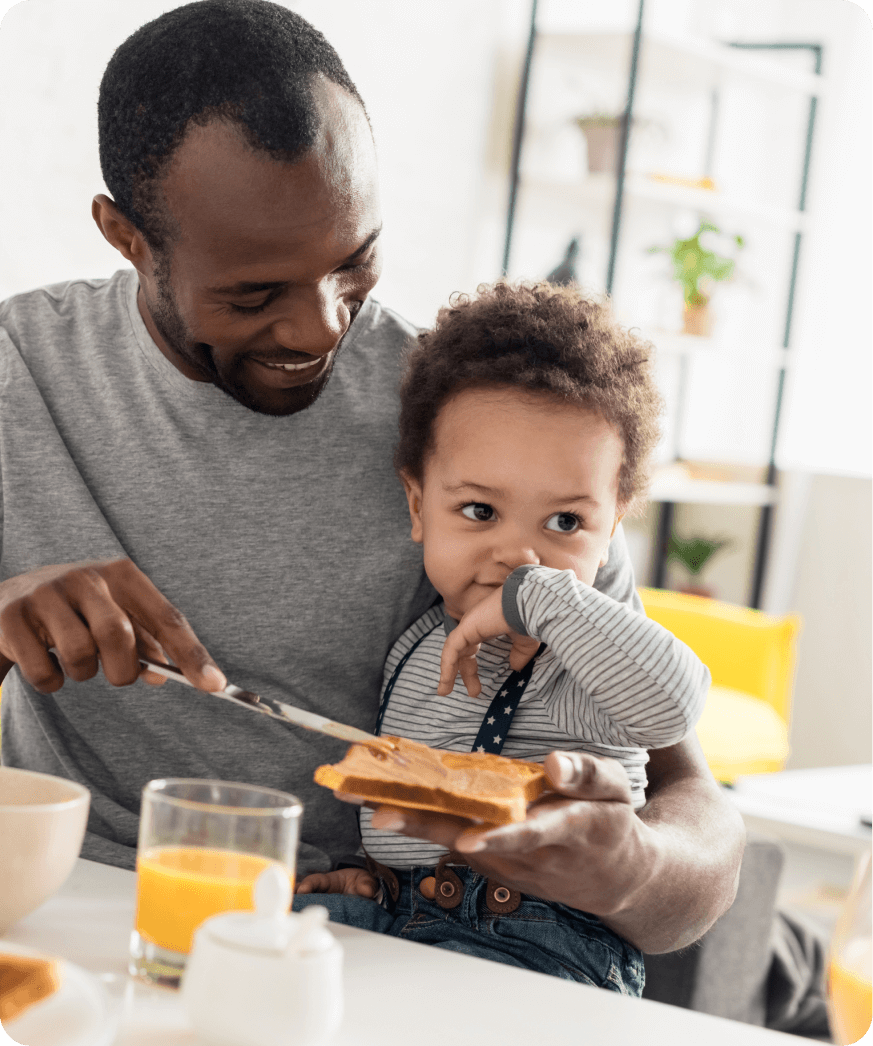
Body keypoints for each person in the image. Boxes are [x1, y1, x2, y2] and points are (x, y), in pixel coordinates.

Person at [0, 0, 744, 957]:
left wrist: (629, 868)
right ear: (127, 237)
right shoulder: (19, 372)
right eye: (254, 293)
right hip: (66, 914)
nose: (321, 327)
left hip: (366, 942)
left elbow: (693, 822)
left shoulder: (475, 419)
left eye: (354, 262)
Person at [292, 281, 713, 991]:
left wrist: (542, 598)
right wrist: (372, 877)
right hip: (406, 913)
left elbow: (676, 705)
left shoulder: (589, 654)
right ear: (417, 506)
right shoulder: (414, 646)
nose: (519, 555)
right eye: (480, 511)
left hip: (547, 942)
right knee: (262, 935)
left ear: (613, 528)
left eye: (565, 523)